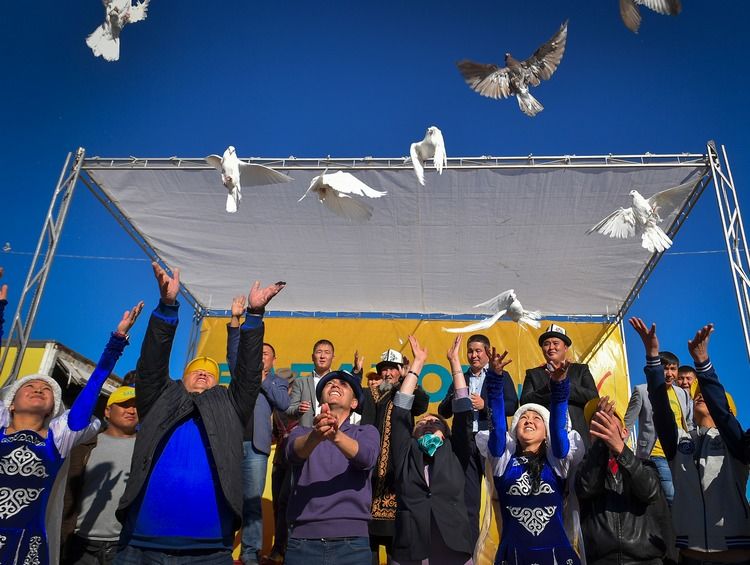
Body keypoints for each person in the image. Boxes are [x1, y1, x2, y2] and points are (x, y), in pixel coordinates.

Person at [114, 264, 284, 564]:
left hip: (210, 550)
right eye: (196, 370)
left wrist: (254, 316)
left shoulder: (230, 406)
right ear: (182, 377)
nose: (203, 374)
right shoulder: (159, 398)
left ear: (218, 383)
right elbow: (152, 363)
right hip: (140, 545)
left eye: (210, 373)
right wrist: (167, 308)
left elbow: (247, 373)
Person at [0, 301, 140, 565]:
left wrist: (117, 341)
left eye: (47, 389)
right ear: (11, 403)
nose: (39, 389)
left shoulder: (59, 439)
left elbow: (95, 383)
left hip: (29, 547)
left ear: (54, 408)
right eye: (29, 386)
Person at [629, 318, 750, 565]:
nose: (699, 397)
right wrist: (652, 358)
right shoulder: (681, 442)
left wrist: (702, 362)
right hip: (689, 555)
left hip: (735, 553)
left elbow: (722, 414)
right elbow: (661, 410)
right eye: (697, 395)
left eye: (706, 395)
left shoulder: (735, 442)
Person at [477, 346, 584, 565]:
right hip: (514, 557)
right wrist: (495, 380)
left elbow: (559, 430)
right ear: (515, 431)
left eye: (537, 418)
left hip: (556, 557)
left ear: (546, 433)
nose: (528, 420)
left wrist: (559, 386)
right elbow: (498, 427)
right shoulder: (502, 460)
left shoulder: (557, 460)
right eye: (523, 418)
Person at [389, 335, 474, 565]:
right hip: (411, 547)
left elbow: (464, 411)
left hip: (453, 547)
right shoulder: (406, 450)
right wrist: (417, 364)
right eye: (422, 421)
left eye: (435, 422)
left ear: (445, 432)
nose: (428, 422)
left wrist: (455, 363)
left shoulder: (455, 451)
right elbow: (400, 411)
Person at [284, 370, 380, 565]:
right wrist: (316, 435)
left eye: (343, 384)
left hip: (353, 545)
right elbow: (293, 453)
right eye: (329, 383)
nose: (335, 385)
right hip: (302, 542)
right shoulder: (301, 432)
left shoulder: (366, 431)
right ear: (321, 400)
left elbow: (366, 458)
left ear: (354, 403)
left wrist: (335, 435)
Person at [437, 333, 518, 548]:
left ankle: (508, 551)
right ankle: (471, 552)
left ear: (488, 352)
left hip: (492, 442)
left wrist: (485, 406)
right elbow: (443, 411)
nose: (473, 355)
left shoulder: (499, 375)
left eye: (478, 351)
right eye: (470, 351)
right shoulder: (460, 377)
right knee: (469, 502)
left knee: (502, 497)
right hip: (465, 444)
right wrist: (457, 398)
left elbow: (512, 405)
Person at [227, 296, 290, 565]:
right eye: (258, 351)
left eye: (266, 353)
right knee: (226, 497)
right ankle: (221, 547)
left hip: (256, 447)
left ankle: (250, 552)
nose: (261, 355)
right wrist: (235, 320)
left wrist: (263, 379)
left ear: (273, 359)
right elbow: (233, 351)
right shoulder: (239, 373)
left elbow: (284, 404)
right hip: (230, 442)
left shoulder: (277, 381)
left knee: (252, 501)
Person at [576, 397, 673, 565]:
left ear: (624, 432)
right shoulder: (584, 469)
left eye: (609, 419)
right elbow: (587, 488)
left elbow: (650, 492)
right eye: (597, 422)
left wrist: (620, 449)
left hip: (646, 561)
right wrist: (602, 443)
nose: (603, 424)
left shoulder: (646, 465)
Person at [358, 348, 430, 564]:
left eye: (392, 369)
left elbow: (421, 404)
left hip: (396, 471)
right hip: (370, 472)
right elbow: (353, 400)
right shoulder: (371, 394)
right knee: (368, 539)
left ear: (401, 371)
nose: (388, 373)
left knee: (395, 540)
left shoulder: (406, 393)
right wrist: (356, 373)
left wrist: (411, 379)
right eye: (384, 369)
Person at [62, 386, 139, 565]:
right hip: (80, 544)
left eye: (136, 406)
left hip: (125, 545)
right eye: (124, 405)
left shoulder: (148, 448)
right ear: (107, 411)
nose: (131, 410)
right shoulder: (83, 445)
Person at [623, 351, 692, 504]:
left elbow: (688, 423)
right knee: (672, 496)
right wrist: (619, 452)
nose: (669, 374)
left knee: (684, 497)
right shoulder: (642, 391)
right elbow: (627, 424)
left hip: (680, 454)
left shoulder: (683, 394)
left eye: (673, 369)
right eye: (665, 368)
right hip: (655, 453)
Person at [521, 323, 598, 447]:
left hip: (580, 438)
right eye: (546, 344)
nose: (551, 347)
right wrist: (551, 388)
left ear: (565, 347)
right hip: (546, 440)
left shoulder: (580, 370)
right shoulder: (533, 374)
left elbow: (593, 398)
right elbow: (525, 402)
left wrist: (563, 385)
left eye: (556, 343)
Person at [264, 368, 298, 565]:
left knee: (289, 503)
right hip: (279, 460)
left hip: (295, 459)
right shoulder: (276, 406)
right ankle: (278, 549)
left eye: (285, 385)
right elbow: (276, 434)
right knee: (277, 504)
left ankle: (290, 549)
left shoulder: (300, 404)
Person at [286, 339, 335, 428]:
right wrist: (298, 409)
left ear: (333, 357)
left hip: (333, 430)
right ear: (312, 357)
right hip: (308, 432)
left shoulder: (339, 382)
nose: (322, 356)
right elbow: (289, 410)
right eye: (319, 352)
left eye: (327, 352)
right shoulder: (301, 382)